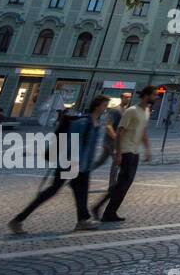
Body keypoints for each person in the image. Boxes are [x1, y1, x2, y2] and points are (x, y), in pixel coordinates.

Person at [9, 95, 107, 234]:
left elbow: (89, 148)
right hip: (71, 164)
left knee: (80, 191)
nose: (106, 108)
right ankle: (18, 220)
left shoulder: (96, 124)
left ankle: (83, 219)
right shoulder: (83, 123)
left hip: (83, 166)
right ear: (97, 106)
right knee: (53, 191)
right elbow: (70, 143)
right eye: (104, 105)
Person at [92, 86, 155, 223]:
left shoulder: (147, 111)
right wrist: (119, 153)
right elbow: (118, 131)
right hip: (125, 150)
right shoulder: (131, 111)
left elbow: (143, 130)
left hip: (135, 151)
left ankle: (103, 209)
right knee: (122, 183)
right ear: (146, 96)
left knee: (124, 183)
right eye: (154, 95)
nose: (156, 97)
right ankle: (107, 212)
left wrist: (147, 149)